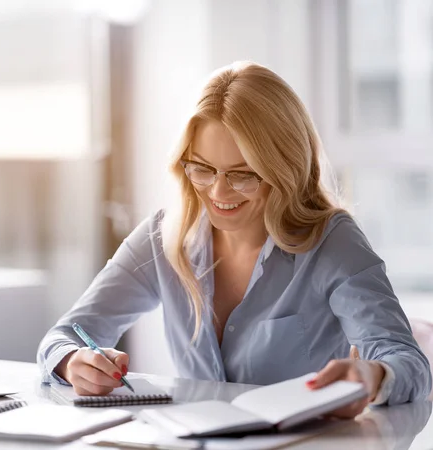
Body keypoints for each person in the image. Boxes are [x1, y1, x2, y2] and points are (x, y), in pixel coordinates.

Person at [37, 61, 431, 417]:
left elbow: (408, 362)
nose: (219, 193)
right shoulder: (163, 237)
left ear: (284, 168)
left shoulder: (332, 241)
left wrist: (372, 375)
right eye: (203, 169)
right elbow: (65, 334)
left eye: (243, 174)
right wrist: (73, 361)